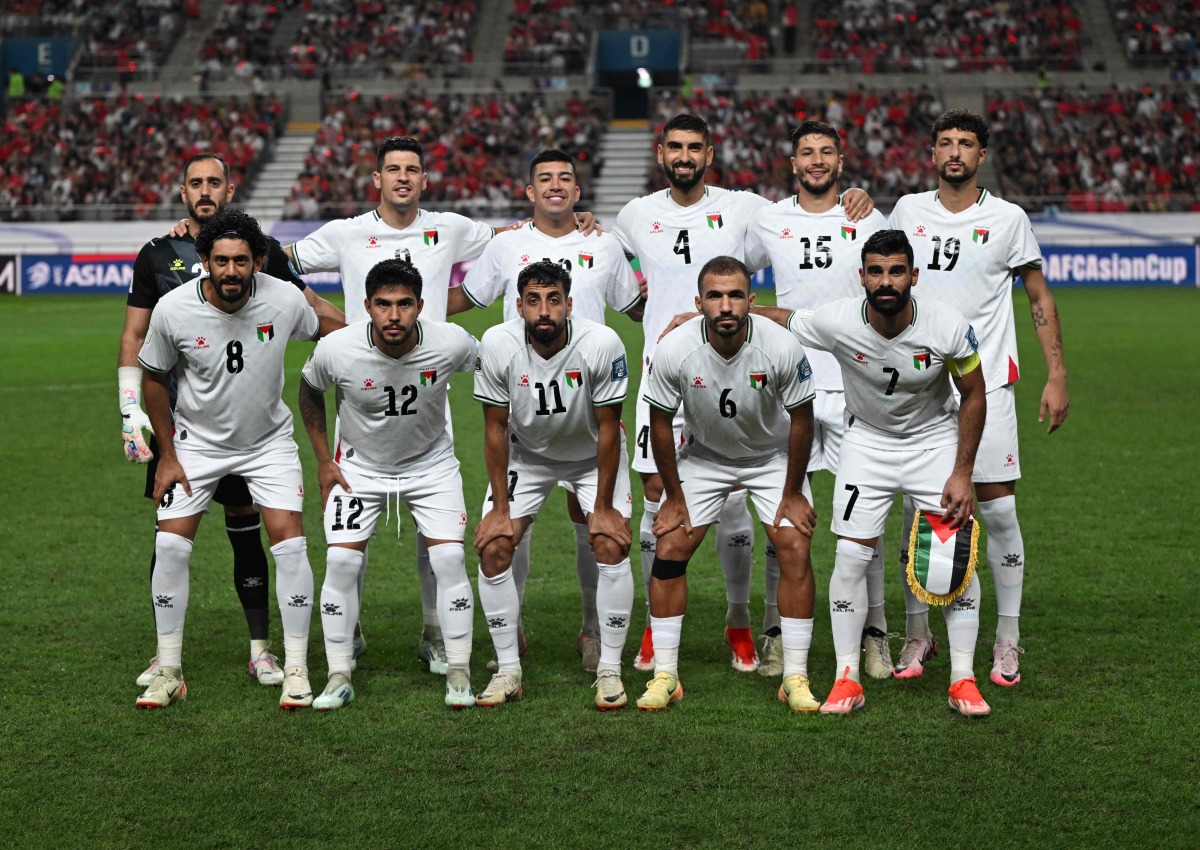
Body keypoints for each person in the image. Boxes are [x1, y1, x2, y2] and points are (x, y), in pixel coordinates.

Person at [285, 136, 595, 677]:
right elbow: (278, 260)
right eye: (392, 170)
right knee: (350, 531)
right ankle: (350, 629)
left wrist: (575, 219)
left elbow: (511, 238)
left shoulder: (449, 227)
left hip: (430, 384)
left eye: (412, 170)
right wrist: (318, 310)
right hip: (361, 385)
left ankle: (434, 629)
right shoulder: (346, 232)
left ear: (425, 180)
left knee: (437, 531)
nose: (402, 177)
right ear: (376, 179)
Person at [614, 113, 872, 676]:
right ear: (661, 153)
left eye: (694, 148)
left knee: (734, 501)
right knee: (658, 499)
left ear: (710, 154)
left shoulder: (749, 209)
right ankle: (657, 633)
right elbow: (609, 272)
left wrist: (857, 197)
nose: (684, 156)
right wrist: (662, 320)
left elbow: (806, 221)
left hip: (736, 368)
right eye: (675, 148)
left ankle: (739, 622)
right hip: (666, 370)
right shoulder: (633, 215)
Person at [118, 152, 342, 692]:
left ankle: (291, 666)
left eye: (242, 262)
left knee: (288, 545)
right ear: (205, 260)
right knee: (170, 544)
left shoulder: (283, 298)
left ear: (257, 263)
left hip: (268, 444)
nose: (231, 272)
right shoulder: (173, 308)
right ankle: (168, 667)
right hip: (196, 442)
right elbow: (151, 376)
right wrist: (166, 453)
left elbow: (329, 328)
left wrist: (382, 337)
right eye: (221, 262)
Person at [759, 229, 990, 716]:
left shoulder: (946, 325)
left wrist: (963, 472)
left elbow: (974, 393)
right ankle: (847, 678)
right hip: (866, 442)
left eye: (897, 271)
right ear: (862, 275)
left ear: (914, 276)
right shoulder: (839, 320)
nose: (886, 281)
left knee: (954, 557)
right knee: (849, 557)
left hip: (933, 442)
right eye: (877, 271)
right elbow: (782, 317)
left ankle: (964, 679)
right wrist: (711, 312)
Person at [888, 110, 1069, 686]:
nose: (955, 152)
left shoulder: (1009, 219)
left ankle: (1007, 639)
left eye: (966, 143)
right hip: (918, 388)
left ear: (982, 155)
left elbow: (1037, 293)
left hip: (986, 387)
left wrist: (1056, 374)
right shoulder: (908, 211)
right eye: (945, 142)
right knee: (917, 511)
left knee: (998, 510)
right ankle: (918, 634)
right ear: (932, 152)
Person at [456, 148, 643, 675]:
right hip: (526, 419)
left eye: (566, 178)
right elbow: (469, 296)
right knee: (509, 532)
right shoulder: (507, 243)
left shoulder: (603, 243)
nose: (556, 186)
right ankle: (509, 635)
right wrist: (396, 309)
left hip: (589, 409)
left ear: (578, 192)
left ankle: (592, 633)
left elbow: (635, 307)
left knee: (596, 526)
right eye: (546, 179)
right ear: (529, 191)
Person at [744, 119, 893, 679]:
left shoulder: (866, 216)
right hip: (791, 389)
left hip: (857, 386)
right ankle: (777, 633)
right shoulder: (769, 219)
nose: (816, 160)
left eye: (826, 151)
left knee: (866, 519)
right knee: (784, 516)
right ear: (792, 163)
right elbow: (729, 264)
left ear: (840, 158)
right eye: (806, 151)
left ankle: (874, 634)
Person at [637, 256, 818, 712]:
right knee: (670, 546)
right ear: (699, 302)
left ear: (751, 301)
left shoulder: (780, 346)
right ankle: (666, 674)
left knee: (794, 545)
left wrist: (793, 493)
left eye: (735, 295)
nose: (725, 305)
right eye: (715, 296)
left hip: (770, 457)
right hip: (705, 457)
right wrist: (675, 497)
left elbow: (802, 419)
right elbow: (659, 422)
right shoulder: (674, 348)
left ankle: (794, 676)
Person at [298, 259, 480, 710]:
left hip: (432, 465)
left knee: (451, 558)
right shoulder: (337, 349)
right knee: (341, 563)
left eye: (403, 305)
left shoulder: (450, 342)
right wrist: (324, 461)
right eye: (383, 305)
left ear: (420, 305)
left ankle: (458, 671)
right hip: (358, 468)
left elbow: (493, 362)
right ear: (367, 306)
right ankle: (339, 673)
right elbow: (308, 388)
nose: (393, 316)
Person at [472, 261, 635, 710]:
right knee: (494, 546)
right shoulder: (498, 344)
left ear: (569, 304)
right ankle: (508, 669)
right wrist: (500, 509)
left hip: (590, 455)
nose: (544, 310)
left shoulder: (601, 343)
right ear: (520, 305)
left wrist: (601, 507)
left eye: (553, 300)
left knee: (609, 542)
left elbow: (609, 428)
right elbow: (494, 428)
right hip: (527, 455)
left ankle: (609, 669)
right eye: (533, 300)